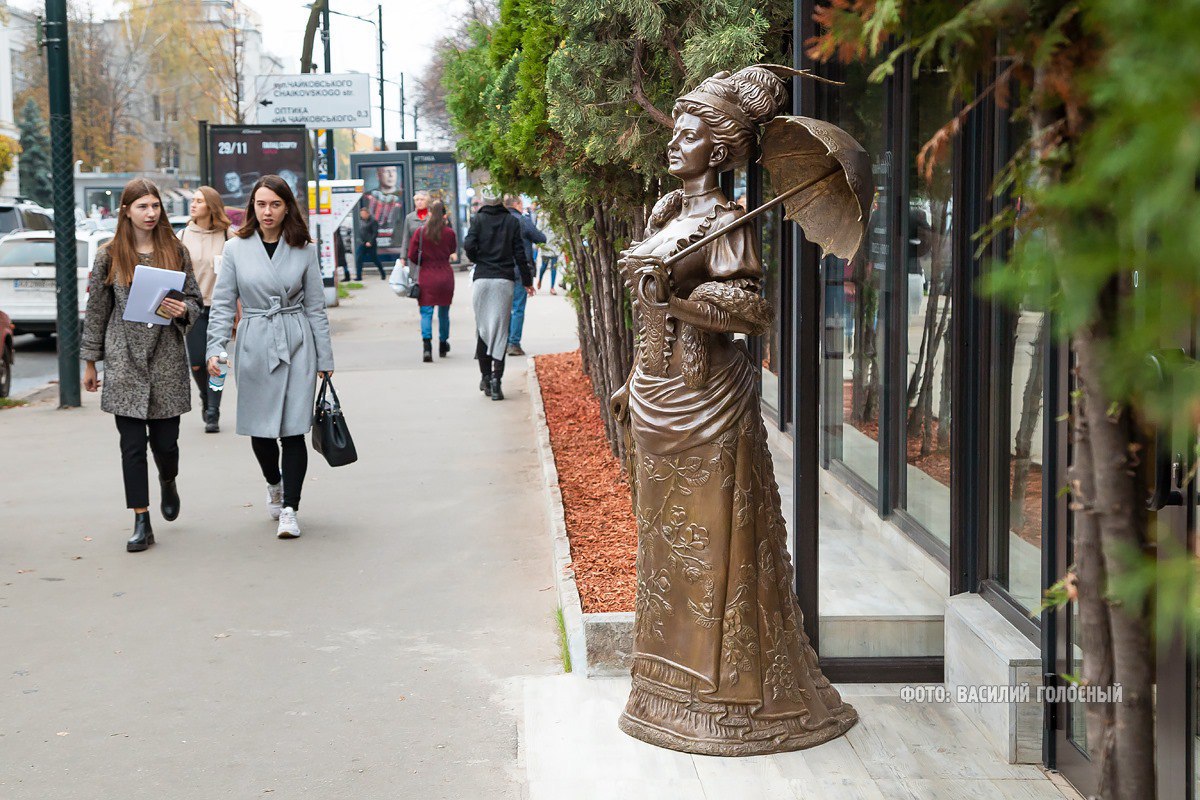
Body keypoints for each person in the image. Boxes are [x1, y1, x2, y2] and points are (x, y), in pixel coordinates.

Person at [611, 65, 857, 753]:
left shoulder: (727, 223)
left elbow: (753, 312)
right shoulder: (666, 214)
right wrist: (635, 376)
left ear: (718, 151)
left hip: (709, 403)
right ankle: (665, 695)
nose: (675, 142)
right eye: (677, 129)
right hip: (659, 397)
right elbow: (644, 312)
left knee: (718, 552)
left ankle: (729, 704)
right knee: (665, 549)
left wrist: (678, 300)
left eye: (689, 134)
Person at [206, 175, 335, 540]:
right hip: (255, 340)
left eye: (275, 204)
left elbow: (316, 307)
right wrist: (215, 346)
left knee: (293, 429)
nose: (267, 211)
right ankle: (273, 482)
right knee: (261, 430)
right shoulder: (236, 248)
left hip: (297, 342)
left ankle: (290, 509)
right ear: (252, 207)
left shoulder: (304, 248)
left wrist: (325, 359)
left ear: (287, 207)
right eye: (261, 204)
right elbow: (222, 303)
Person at [80, 178, 203, 553]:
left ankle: (168, 480)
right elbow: (98, 312)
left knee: (165, 444)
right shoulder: (109, 254)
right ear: (126, 211)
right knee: (132, 446)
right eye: (142, 207)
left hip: (165, 359)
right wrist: (90, 363)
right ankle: (141, 520)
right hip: (124, 362)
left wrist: (184, 310)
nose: (150, 214)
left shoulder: (175, 250)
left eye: (155, 206)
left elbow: (195, 301)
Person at [464, 186, 533, 401]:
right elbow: (520, 254)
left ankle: (485, 377)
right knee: (500, 331)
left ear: (484, 200)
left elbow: (468, 244)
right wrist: (528, 281)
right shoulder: (512, 221)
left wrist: (477, 259)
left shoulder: (477, 220)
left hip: (482, 280)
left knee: (483, 330)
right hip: (504, 281)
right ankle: (496, 382)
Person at [179, 186, 233, 433]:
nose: (193, 205)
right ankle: (205, 394)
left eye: (199, 201)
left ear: (210, 206)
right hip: (194, 308)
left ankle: (213, 410)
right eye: (193, 201)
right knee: (198, 363)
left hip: (221, 307)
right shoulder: (181, 236)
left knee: (217, 361)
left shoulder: (227, 236)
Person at [408, 199, 458, 362]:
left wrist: (424, 263)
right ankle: (443, 343)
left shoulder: (421, 232)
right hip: (445, 274)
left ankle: (427, 347)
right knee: (444, 312)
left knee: (426, 312)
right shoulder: (449, 233)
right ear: (444, 215)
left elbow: (412, 255)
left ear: (429, 213)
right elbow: (452, 249)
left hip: (427, 276)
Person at [504, 194, 546, 356]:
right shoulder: (522, 221)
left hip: (501, 270)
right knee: (517, 308)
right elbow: (540, 238)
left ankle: (504, 340)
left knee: (504, 307)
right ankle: (513, 343)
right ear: (516, 204)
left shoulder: (500, 221)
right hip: (520, 270)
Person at [391, 189, 431, 267]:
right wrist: (403, 257)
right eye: (417, 200)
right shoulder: (409, 218)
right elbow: (406, 238)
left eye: (422, 200)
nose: (419, 202)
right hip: (414, 254)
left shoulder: (431, 216)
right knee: (415, 277)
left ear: (427, 201)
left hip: (430, 254)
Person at [355, 206, 384, 280]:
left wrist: (370, 241)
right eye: (361, 214)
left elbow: (375, 233)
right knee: (359, 258)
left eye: (364, 214)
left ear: (367, 213)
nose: (362, 215)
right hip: (363, 243)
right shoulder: (362, 221)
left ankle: (382, 273)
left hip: (371, 244)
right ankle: (359, 276)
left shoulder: (373, 221)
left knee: (375, 259)